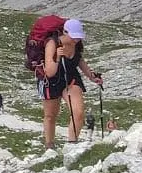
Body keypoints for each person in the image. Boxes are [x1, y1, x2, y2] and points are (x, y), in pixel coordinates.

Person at [40, 18, 103, 147]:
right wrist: (57, 57)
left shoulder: (76, 44)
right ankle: (49, 146)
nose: (76, 40)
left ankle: (72, 144)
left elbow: (80, 61)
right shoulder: (52, 43)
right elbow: (50, 72)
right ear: (65, 32)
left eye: (78, 37)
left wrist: (93, 77)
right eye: (74, 37)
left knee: (78, 113)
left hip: (71, 79)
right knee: (51, 116)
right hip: (52, 82)